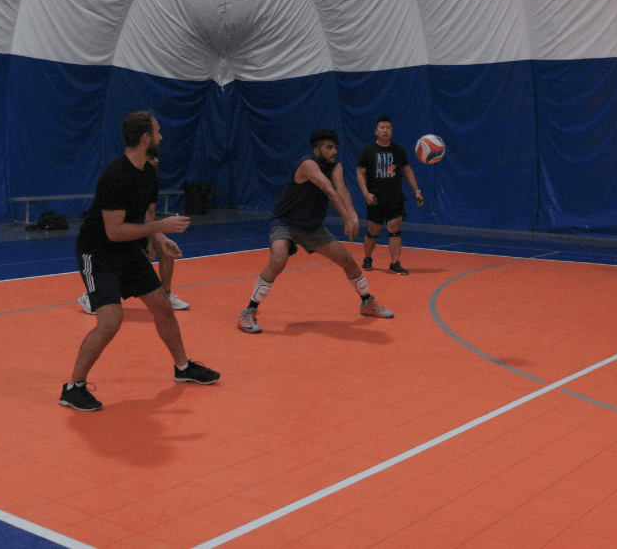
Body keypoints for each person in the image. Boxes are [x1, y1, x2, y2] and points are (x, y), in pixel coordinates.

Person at [61, 111, 219, 411]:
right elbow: (114, 231)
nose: (161, 137)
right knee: (111, 321)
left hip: (127, 250)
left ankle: (183, 367)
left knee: (163, 307)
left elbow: (142, 218)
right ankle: (73, 387)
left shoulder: (147, 172)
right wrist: (160, 226)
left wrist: (160, 238)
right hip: (98, 252)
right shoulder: (115, 176)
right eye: (158, 132)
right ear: (146, 138)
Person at [237, 128, 394, 334]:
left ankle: (367, 302)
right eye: (329, 147)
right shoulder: (308, 164)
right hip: (285, 223)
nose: (334, 151)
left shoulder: (335, 166)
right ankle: (249, 311)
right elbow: (329, 189)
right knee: (279, 259)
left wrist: (354, 216)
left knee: (347, 259)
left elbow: (341, 189)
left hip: (312, 228)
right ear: (317, 150)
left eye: (335, 147)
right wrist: (346, 218)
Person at [77, 156, 189, 313]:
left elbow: (149, 212)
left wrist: (154, 240)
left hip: (142, 227)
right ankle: (92, 294)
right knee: (121, 262)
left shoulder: (151, 181)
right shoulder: (120, 179)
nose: (157, 160)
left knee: (166, 248)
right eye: (152, 157)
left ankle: (166, 294)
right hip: (116, 232)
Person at [356, 116, 423, 274]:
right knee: (373, 230)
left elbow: (407, 170)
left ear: (391, 131)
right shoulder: (368, 151)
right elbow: (360, 173)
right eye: (382, 127)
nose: (385, 130)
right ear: (376, 131)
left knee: (394, 227)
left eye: (388, 128)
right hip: (375, 198)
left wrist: (417, 191)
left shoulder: (398, 150)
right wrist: (366, 193)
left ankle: (395, 263)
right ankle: (367, 257)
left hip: (395, 197)